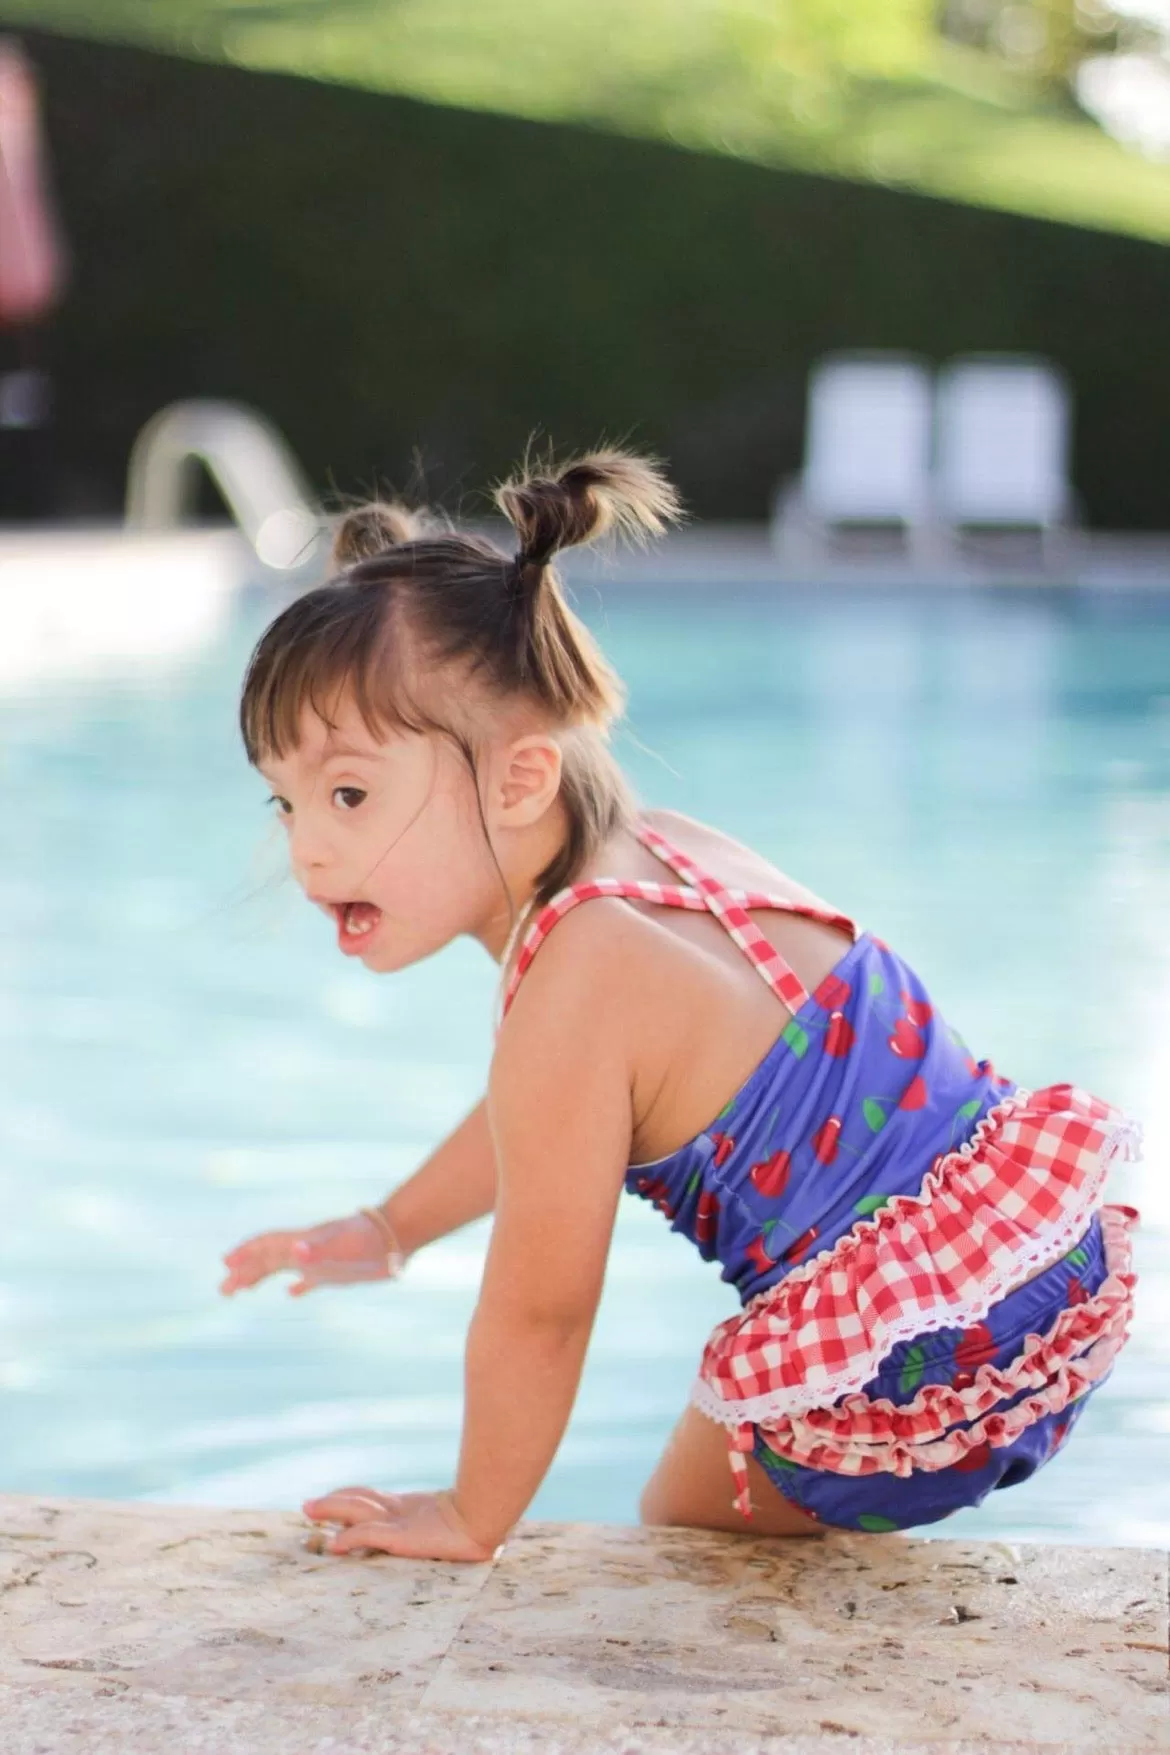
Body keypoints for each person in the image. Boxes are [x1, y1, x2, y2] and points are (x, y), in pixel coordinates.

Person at [219, 448, 1141, 1562]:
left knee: (679, 1532)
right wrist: (394, 1227)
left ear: (519, 781)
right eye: (287, 800)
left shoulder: (574, 981)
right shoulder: (666, 858)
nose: (307, 849)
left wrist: (473, 1514)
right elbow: (544, 1117)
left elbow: (539, 1314)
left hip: (914, 1357)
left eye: (349, 794)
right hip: (1041, 1261)